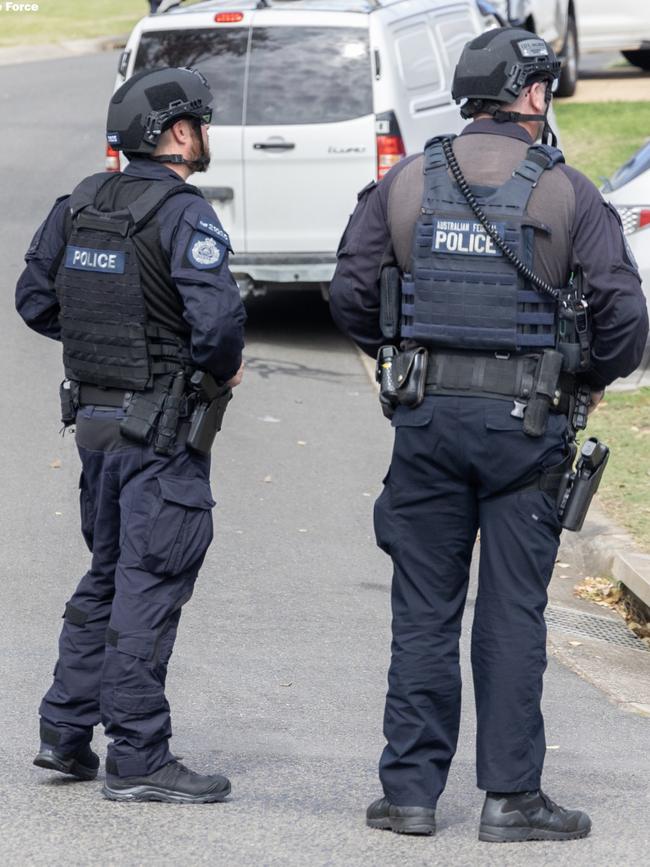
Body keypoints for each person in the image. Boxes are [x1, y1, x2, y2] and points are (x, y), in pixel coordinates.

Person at [329, 28, 648, 842]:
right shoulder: (568, 193)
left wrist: (402, 359)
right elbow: (625, 320)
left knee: (424, 611)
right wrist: (587, 382)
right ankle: (510, 799)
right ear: (529, 94)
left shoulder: (405, 182)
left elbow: (350, 293)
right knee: (511, 614)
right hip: (528, 428)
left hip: (427, 422)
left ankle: (409, 795)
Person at [16, 67, 246, 804]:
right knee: (149, 580)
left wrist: (101, 345)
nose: (206, 134)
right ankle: (140, 755)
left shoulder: (78, 202)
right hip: (160, 429)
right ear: (176, 132)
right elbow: (218, 327)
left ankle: (64, 731)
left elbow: (34, 299)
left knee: (110, 573)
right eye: (200, 122)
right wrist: (195, 368)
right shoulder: (184, 214)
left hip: (95, 424)